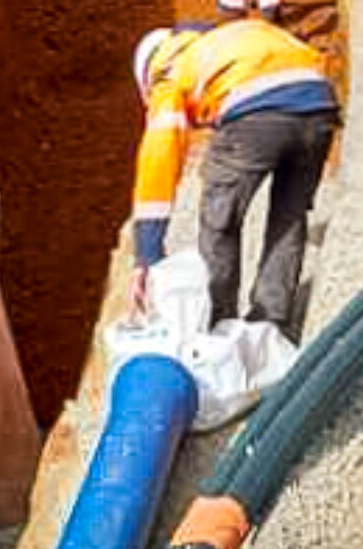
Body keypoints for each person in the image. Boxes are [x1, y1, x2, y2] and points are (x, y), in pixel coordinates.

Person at [127, 19, 339, 344]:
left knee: (220, 221)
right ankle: (271, 326)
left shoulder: (167, 71)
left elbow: (159, 158)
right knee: (289, 216)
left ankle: (216, 329)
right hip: (320, 105)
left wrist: (147, 252)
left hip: (257, 112)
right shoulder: (229, 38)